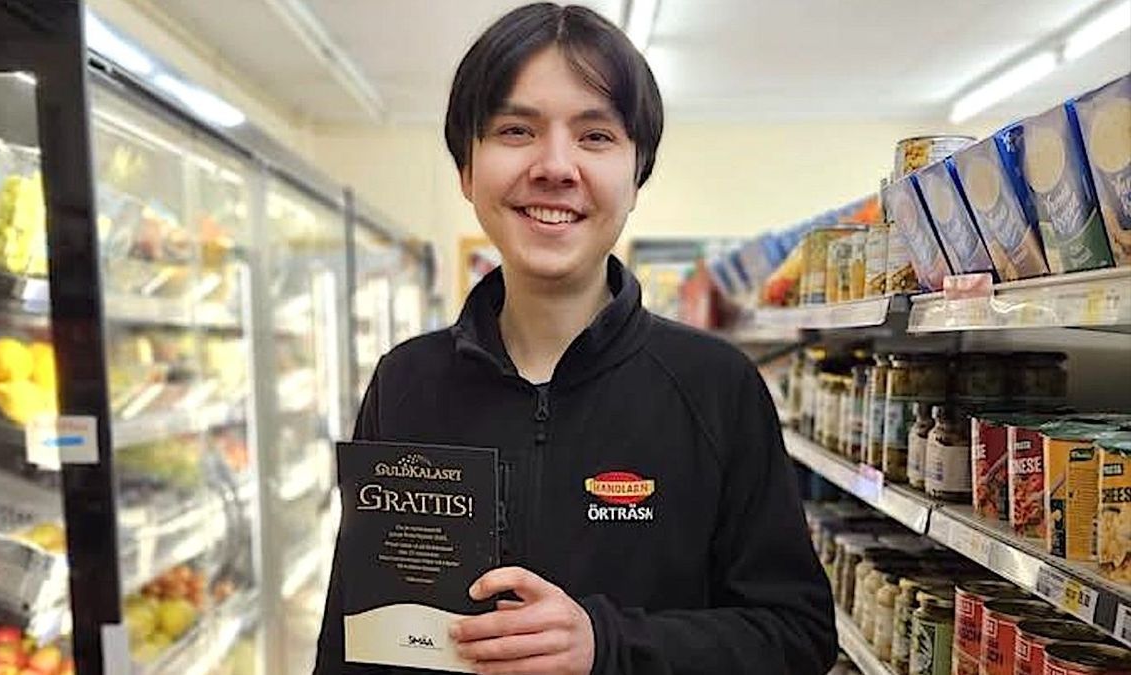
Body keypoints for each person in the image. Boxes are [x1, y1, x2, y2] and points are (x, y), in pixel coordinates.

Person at [315, 3, 837, 673]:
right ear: (467, 170)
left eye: (595, 136)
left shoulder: (716, 385)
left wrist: (607, 644)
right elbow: (350, 632)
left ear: (636, 175)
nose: (555, 166)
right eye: (516, 130)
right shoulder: (406, 381)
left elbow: (796, 633)